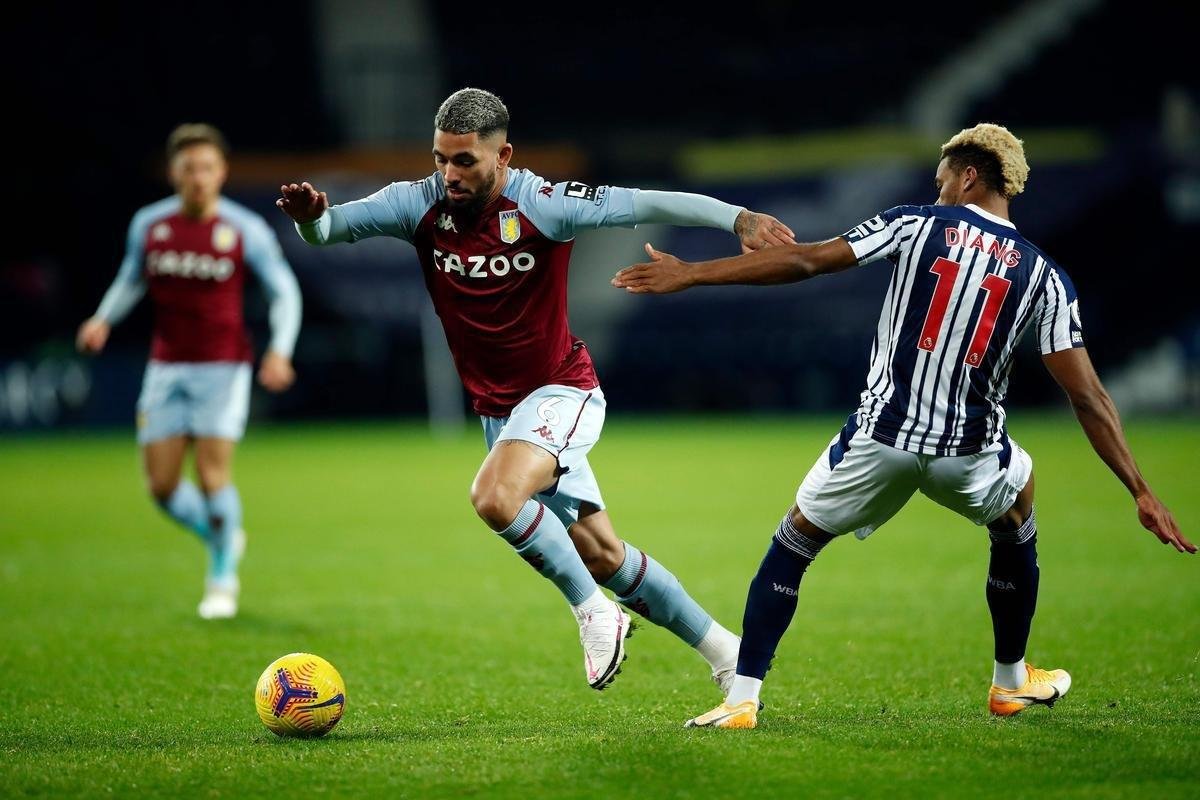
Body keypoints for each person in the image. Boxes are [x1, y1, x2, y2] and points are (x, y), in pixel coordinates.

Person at [612, 122, 1194, 728]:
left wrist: (693, 274)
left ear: (969, 175)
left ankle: (742, 698)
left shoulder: (915, 223)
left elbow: (809, 261)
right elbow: (1089, 396)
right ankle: (1010, 681)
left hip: (880, 438)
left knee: (796, 542)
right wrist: (1140, 490)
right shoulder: (1045, 276)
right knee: (1019, 500)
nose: (936, 186)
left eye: (942, 175)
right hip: (967, 453)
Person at [277, 87, 795, 691]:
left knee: (494, 498)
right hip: (501, 415)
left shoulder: (544, 203)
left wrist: (739, 218)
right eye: (440, 158)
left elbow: (648, 199)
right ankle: (726, 654)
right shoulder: (414, 203)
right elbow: (330, 230)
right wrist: (312, 216)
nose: (448, 174)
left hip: (561, 393)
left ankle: (593, 612)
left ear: (504, 156)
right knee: (604, 556)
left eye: (464, 161)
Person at [77, 123, 303, 620]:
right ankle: (223, 532)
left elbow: (284, 291)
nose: (197, 178)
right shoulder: (150, 225)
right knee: (160, 487)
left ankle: (222, 576)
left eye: (206, 168)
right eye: (187, 169)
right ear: (173, 173)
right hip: (166, 366)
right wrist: (101, 319)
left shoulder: (244, 229)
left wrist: (279, 350)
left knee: (211, 474)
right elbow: (130, 279)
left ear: (221, 172)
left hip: (223, 367)